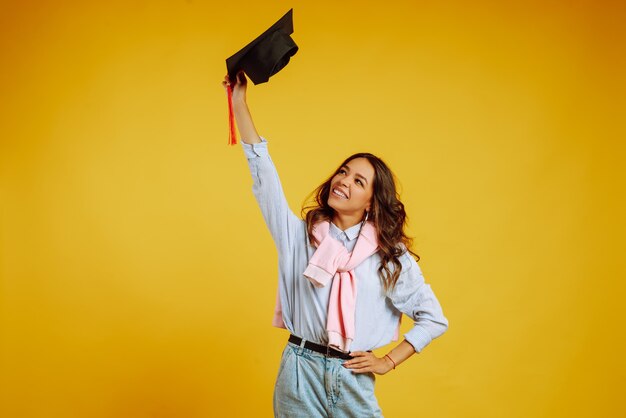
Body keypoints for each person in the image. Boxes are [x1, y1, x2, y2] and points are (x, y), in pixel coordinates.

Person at [222, 72, 448, 418]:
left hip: (352, 378)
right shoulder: (297, 236)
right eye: (343, 172)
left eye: (359, 181)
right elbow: (263, 174)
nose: (344, 181)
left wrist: (389, 360)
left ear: (371, 202)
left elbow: (433, 319)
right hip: (299, 374)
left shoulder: (389, 256)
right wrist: (239, 101)